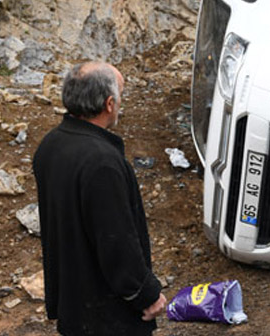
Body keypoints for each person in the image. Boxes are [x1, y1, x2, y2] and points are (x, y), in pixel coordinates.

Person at [33, 61, 166, 335]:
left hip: (74, 304)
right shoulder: (101, 162)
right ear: (109, 104)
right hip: (107, 317)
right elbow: (115, 241)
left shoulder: (51, 145)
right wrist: (146, 294)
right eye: (120, 95)